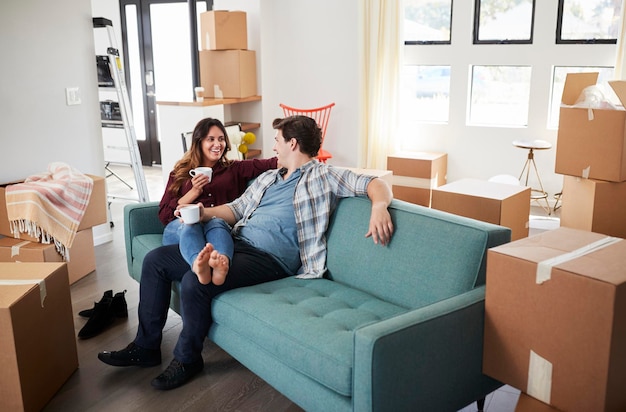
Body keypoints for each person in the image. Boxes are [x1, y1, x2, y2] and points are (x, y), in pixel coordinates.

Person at [98, 115, 394, 391]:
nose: (274, 145)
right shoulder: (269, 178)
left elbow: (373, 183)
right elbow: (237, 209)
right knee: (156, 261)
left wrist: (379, 206)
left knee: (194, 282)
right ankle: (146, 347)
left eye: (278, 140)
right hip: (238, 243)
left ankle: (188, 358)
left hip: (271, 258)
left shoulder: (323, 175)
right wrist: (202, 213)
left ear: (292, 144)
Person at [159, 117, 278, 285]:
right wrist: (194, 192)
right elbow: (164, 214)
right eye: (211, 139)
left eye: (221, 139)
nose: (218, 144)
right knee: (191, 223)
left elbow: (272, 163)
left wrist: (300, 155)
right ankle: (198, 265)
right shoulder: (180, 173)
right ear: (199, 142)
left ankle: (221, 265)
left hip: (216, 229)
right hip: (181, 229)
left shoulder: (234, 169)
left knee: (218, 223)